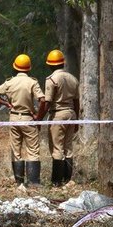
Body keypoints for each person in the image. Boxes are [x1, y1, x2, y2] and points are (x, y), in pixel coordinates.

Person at [0, 54, 46, 186]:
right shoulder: (32, 82)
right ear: (29, 68)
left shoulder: (9, 82)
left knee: (16, 150)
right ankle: (33, 182)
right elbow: (42, 100)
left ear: (15, 67)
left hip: (14, 118)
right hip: (28, 118)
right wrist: (38, 117)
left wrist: (5, 103)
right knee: (33, 150)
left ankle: (19, 182)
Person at [44, 49, 80, 186]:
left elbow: (47, 102)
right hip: (71, 113)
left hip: (58, 114)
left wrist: (39, 118)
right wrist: (77, 120)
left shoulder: (52, 79)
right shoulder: (73, 78)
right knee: (68, 147)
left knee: (57, 148)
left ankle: (56, 181)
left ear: (50, 65)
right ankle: (67, 179)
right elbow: (77, 102)